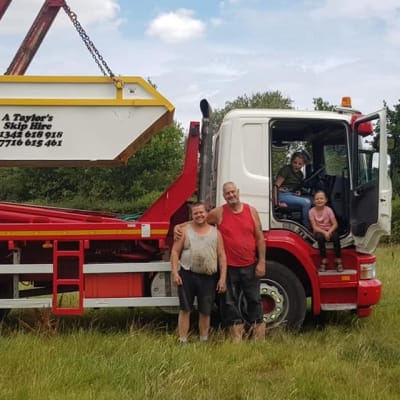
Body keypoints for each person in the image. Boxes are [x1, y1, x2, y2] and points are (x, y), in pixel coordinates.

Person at [208, 182, 266, 342]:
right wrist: (181, 227)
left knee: (254, 300)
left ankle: (259, 338)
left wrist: (262, 262)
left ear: (238, 192)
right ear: (224, 196)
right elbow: (199, 221)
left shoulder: (251, 211)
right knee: (229, 303)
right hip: (229, 268)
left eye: (233, 192)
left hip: (250, 265)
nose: (231, 195)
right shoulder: (219, 213)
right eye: (227, 193)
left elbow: (260, 238)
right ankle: (236, 339)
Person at [170, 202, 227, 344]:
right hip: (187, 275)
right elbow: (175, 252)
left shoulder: (216, 233)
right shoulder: (184, 231)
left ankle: (204, 340)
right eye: (195, 213)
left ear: (207, 213)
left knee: (205, 310)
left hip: (208, 276)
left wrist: (223, 278)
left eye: (201, 212)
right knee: (185, 309)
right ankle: (182, 340)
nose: (199, 215)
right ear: (192, 216)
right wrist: (175, 273)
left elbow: (222, 256)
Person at [274, 151, 312, 228]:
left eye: (300, 164)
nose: (297, 165)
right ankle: (307, 227)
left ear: (303, 164)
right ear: (291, 161)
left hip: (291, 194)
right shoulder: (286, 170)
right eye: (295, 162)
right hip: (281, 195)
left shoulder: (300, 174)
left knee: (313, 200)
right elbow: (275, 187)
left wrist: (299, 192)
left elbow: (297, 188)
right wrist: (277, 203)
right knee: (307, 202)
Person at [308, 190, 343, 272]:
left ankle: (338, 259)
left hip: (329, 229)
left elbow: (335, 224)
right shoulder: (311, 211)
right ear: (314, 201)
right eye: (317, 199)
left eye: (321, 198)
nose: (319, 200)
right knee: (320, 237)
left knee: (336, 237)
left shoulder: (329, 210)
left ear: (326, 200)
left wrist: (329, 232)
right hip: (319, 231)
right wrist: (324, 233)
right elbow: (314, 227)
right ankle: (324, 259)